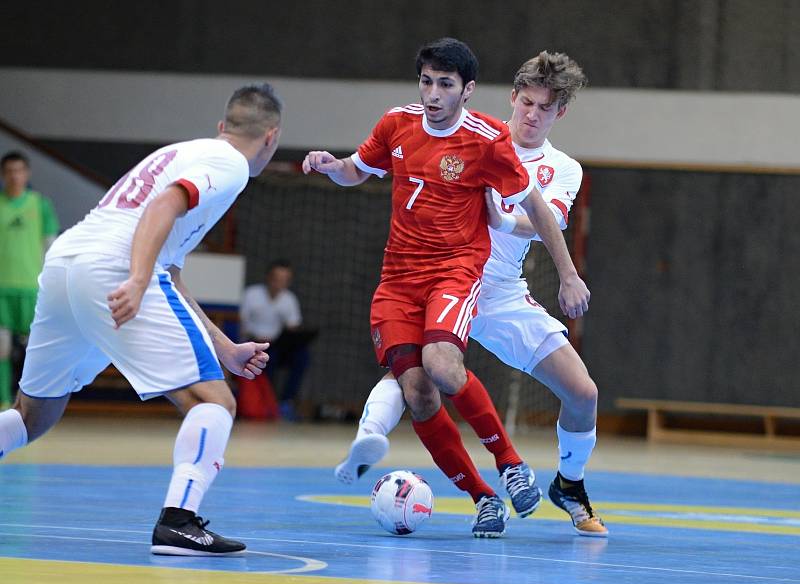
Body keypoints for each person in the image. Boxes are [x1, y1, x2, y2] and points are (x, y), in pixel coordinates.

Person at [304, 39, 589, 538]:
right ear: (512, 97)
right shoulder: (409, 124)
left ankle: (561, 480)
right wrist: (334, 167)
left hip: (486, 286)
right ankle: (464, 486)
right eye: (527, 102)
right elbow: (358, 168)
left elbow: (542, 218)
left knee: (580, 391)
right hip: (409, 277)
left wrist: (563, 270)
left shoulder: (525, 155)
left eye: (546, 108)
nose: (533, 114)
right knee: (417, 386)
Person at [0, 83, 282, 555]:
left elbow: (169, 270)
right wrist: (135, 278)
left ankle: (179, 521)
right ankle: (179, 523)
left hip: (67, 263)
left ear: (221, 126)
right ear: (271, 137)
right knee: (213, 402)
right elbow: (164, 206)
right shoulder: (229, 164)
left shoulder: (182, 151)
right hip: (114, 267)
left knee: (33, 416)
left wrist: (224, 347)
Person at [0, 152, 60, 409]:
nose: (14, 176)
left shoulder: (40, 205)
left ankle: (32, 403)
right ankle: (3, 401)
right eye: (9, 171)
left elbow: (51, 245)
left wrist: (52, 283)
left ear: (27, 173)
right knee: (1, 348)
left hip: (33, 288)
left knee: (36, 349)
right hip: (2, 289)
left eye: (19, 170)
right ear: (3, 175)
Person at [240, 259, 312, 420]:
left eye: (284, 279)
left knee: (302, 357)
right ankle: (267, 405)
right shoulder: (252, 294)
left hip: (278, 345)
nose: (279, 283)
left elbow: (293, 326)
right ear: (268, 277)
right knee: (268, 360)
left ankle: (285, 402)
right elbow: (241, 324)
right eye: (276, 278)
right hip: (254, 345)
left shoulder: (289, 300)